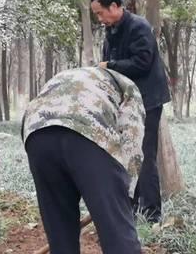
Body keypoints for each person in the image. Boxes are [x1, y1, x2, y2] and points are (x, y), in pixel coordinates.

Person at [22, 67, 145, 254]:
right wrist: (125, 193)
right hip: (87, 129)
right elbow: (132, 143)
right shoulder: (130, 88)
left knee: (60, 230)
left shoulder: (75, 75)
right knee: (118, 235)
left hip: (37, 133)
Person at [90, 0, 171, 223]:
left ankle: (153, 214)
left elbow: (142, 63)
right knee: (126, 155)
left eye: (100, 13)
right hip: (125, 102)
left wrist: (109, 66)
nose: (99, 18)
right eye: (96, 15)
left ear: (114, 6)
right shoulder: (111, 30)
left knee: (145, 156)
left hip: (147, 101)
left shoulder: (139, 26)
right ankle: (131, 209)